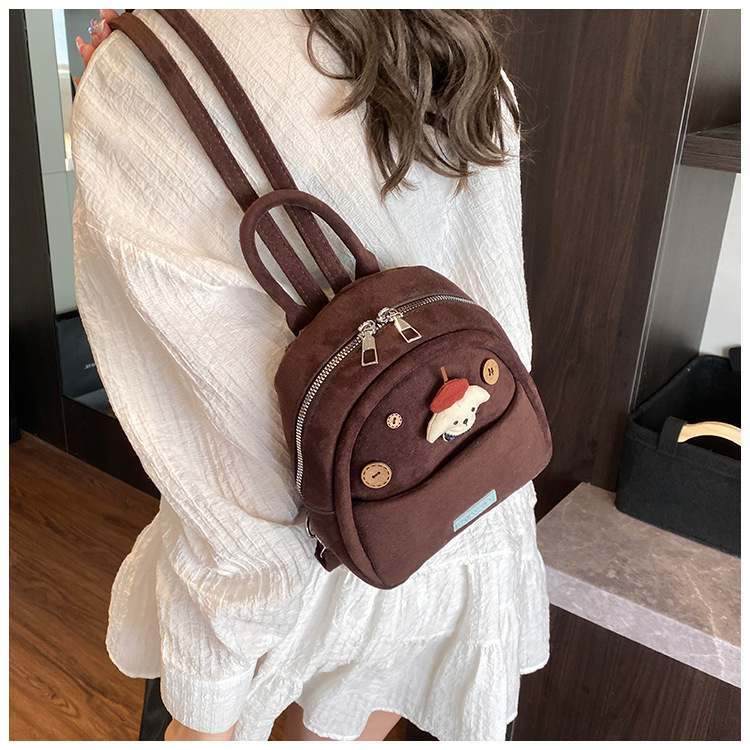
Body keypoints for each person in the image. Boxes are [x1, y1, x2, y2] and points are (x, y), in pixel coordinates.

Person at [71, 9, 549, 742]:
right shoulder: (447, 28)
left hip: (299, 575)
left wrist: (208, 700)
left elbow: (224, 477)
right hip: (466, 505)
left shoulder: (148, 75)